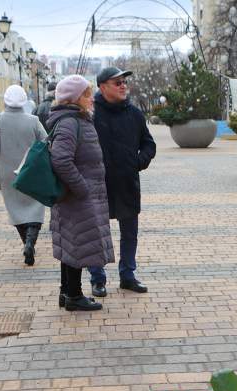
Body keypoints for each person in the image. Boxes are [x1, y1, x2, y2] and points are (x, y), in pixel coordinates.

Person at [87, 66, 156, 297]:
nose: (123, 86)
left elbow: (149, 144)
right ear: (102, 86)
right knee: (97, 233)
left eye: (124, 82)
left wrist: (137, 162)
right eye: (117, 83)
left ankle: (128, 275)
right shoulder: (91, 114)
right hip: (98, 185)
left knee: (129, 233)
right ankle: (98, 278)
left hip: (127, 182)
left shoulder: (134, 114)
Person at [47, 75, 114, 312]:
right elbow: (61, 159)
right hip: (77, 197)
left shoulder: (75, 119)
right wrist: (82, 187)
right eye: (87, 95)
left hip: (76, 196)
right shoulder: (70, 122)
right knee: (77, 245)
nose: (92, 99)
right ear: (74, 98)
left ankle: (67, 292)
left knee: (71, 244)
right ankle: (74, 295)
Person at [0, 85, 47, 265]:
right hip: (31, 169)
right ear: (24, 100)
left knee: (15, 208)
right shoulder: (33, 120)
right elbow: (46, 142)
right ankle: (30, 241)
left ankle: (26, 243)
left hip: (6, 171)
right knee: (35, 205)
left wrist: (1, 158)